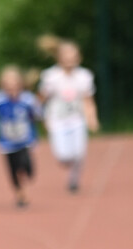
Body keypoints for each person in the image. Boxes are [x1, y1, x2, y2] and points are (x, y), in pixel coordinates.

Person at [38, 38, 99, 194]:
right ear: (59, 58)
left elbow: (88, 100)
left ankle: (74, 180)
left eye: (73, 58)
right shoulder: (51, 77)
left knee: (79, 153)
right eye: (66, 58)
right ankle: (67, 164)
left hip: (77, 119)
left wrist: (92, 118)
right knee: (64, 155)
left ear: (79, 58)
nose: (69, 61)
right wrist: (39, 115)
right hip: (57, 119)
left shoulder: (84, 76)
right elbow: (42, 98)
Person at [0, 65, 43, 208]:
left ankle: (28, 171)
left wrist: (37, 110)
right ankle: (20, 195)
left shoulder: (28, 99)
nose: (11, 87)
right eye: (7, 84)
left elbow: (39, 113)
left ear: (20, 84)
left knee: (25, 165)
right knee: (12, 168)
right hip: (7, 143)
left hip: (25, 140)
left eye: (14, 83)